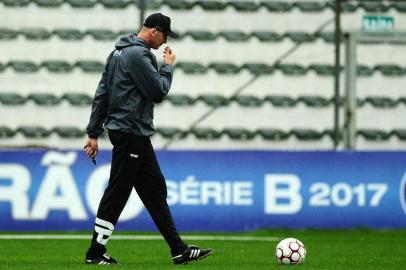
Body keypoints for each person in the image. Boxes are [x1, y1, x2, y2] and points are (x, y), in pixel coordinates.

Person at [83, 13, 212, 265]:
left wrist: (92, 133)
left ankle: (178, 249)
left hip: (132, 132)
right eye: (164, 35)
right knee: (118, 192)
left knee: (155, 189)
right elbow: (157, 92)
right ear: (154, 31)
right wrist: (167, 66)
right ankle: (94, 253)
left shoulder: (117, 53)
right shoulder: (140, 55)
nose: (165, 42)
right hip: (131, 131)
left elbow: (102, 93)